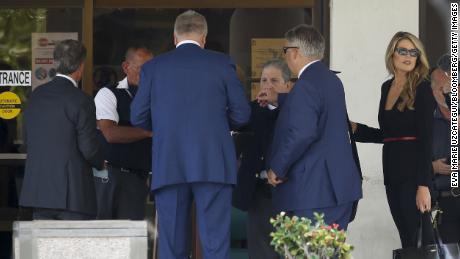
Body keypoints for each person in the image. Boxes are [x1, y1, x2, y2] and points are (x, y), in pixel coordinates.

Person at [130, 10, 250, 259]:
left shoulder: (153, 68)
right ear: (204, 38)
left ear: (174, 37)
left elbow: (138, 118)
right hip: (213, 162)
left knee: (172, 247)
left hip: (169, 162)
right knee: (215, 245)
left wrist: (166, 126)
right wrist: (215, 125)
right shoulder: (222, 63)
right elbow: (242, 114)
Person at [266, 25, 362, 230]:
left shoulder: (305, 85)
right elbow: (318, 109)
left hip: (314, 192)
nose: (285, 57)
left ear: (295, 52)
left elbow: (302, 133)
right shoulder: (332, 80)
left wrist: (277, 167)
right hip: (337, 189)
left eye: (285, 51)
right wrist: (281, 99)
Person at [352, 31, 435, 248]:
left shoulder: (423, 88)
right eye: (403, 51)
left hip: (414, 177)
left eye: (413, 52)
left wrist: (423, 185)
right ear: (392, 54)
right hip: (392, 174)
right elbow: (388, 134)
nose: (408, 56)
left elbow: (427, 139)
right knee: (406, 239)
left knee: (419, 242)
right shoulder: (386, 88)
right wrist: (356, 129)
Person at [19, 39, 103, 220]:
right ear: (80, 66)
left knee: (44, 248)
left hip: (39, 193)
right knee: (73, 248)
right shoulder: (82, 100)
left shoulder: (35, 96)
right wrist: (101, 162)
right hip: (73, 194)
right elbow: (88, 148)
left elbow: (27, 141)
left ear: (56, 63)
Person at [232, 59, 291, 259]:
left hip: (288, 192)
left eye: (274, 81)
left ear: (287, 85)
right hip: (257, 192)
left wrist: (276, 104)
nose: (267, 86)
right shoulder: (250, 111)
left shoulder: (294, 111)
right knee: (260, 252)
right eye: (264, 80)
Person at [94, 47, 153, 220]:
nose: (148, 74)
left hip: (138, 177)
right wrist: (148, 132)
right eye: (142, 68)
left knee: (130, 239)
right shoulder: (109, 93)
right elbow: (110, 133)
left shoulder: (157, 96)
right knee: (102, 234)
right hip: (110, 175)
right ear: (126, 66)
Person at [431, 54, 460, 243]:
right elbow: (408, 159)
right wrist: (431, 167)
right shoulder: (425, 122)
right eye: (442, 87)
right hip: (443, 202)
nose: (447, 92)